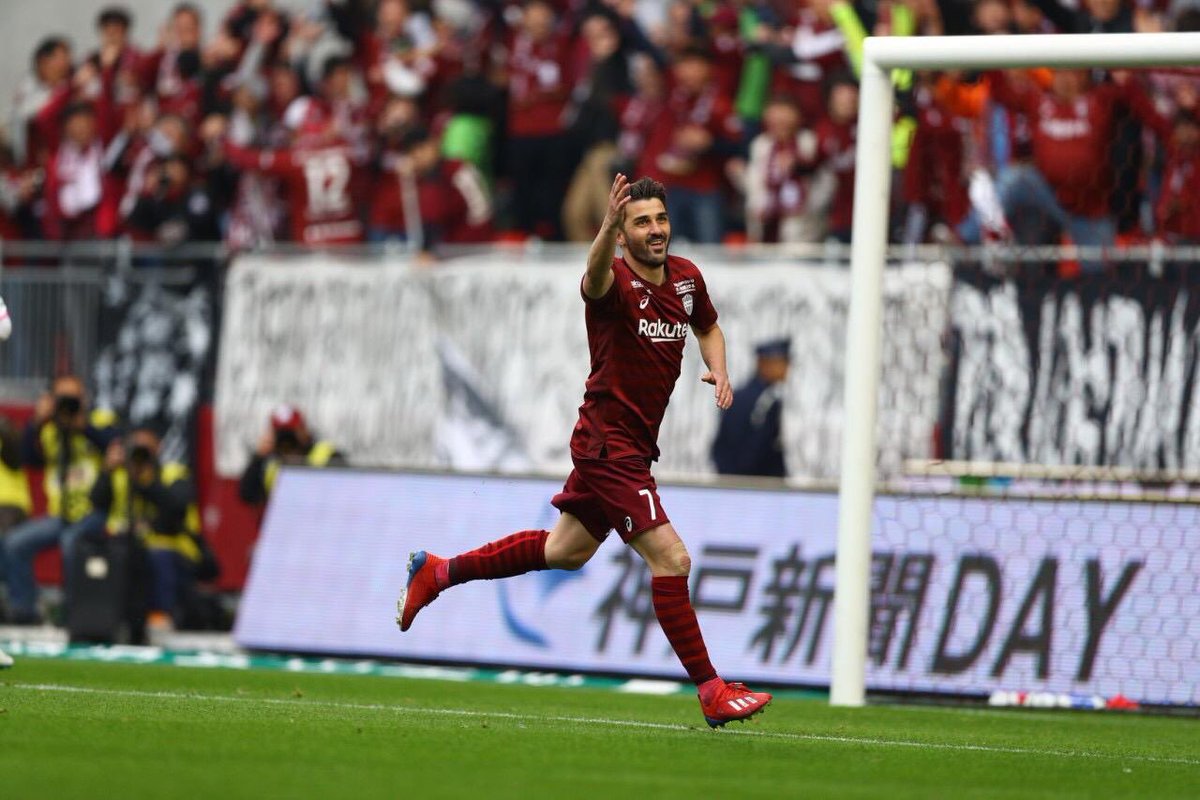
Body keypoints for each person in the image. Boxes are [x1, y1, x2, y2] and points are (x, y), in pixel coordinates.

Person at [398, 174, 773, 728]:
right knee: (673, 559)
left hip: (633, 449)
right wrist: (601, 233)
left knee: (565, 551)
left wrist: (717, 366)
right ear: (621, 235)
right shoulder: (613, 282)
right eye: (641, 222)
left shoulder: (688, 279)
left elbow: (709, 326)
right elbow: (593, 277)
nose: (655, 231)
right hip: (607, 447)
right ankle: (711, 690)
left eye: (660, 219)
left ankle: (438, 572)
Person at [3, 375, 117, 624]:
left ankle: (73, 613)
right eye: (61, 399)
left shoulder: (98, 420)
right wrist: (35, 422)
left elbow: (113, 445)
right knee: (14, 543)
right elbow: (27, 459)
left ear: (84, 398)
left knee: (71, 543)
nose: (67, 404)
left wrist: (83, 426)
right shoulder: (49, 430)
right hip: (59, 514)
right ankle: (25, 610)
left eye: (73, 398)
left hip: (93, 513)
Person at [91, 427, 214, 630]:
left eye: (146, 450)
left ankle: (160, 615)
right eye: (135, 450)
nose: (140, 456)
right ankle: (97, 615)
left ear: (158, 449)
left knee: (157, 556)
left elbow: (177, 507)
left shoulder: (173, 473)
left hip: (176, 550)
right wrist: (106, 470)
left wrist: (147, 483)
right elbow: (97, 503)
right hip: (127, 546)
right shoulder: (120, 475)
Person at [711, 338, 790, 478]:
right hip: (756, 486)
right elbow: (758, 452)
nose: (787, 369)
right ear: (764, 363)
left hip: (732, 482)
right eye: (782, 362)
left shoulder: (738, 395)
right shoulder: (766, 402)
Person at [238, 405, 344, 506]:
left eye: (291, 433)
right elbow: (248, 496)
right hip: (284, 520)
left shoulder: (327, 454)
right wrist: (259, 457)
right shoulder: (270, 462)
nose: (287, 440)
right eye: (282, 434)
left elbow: (343, 494)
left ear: (304, 429)